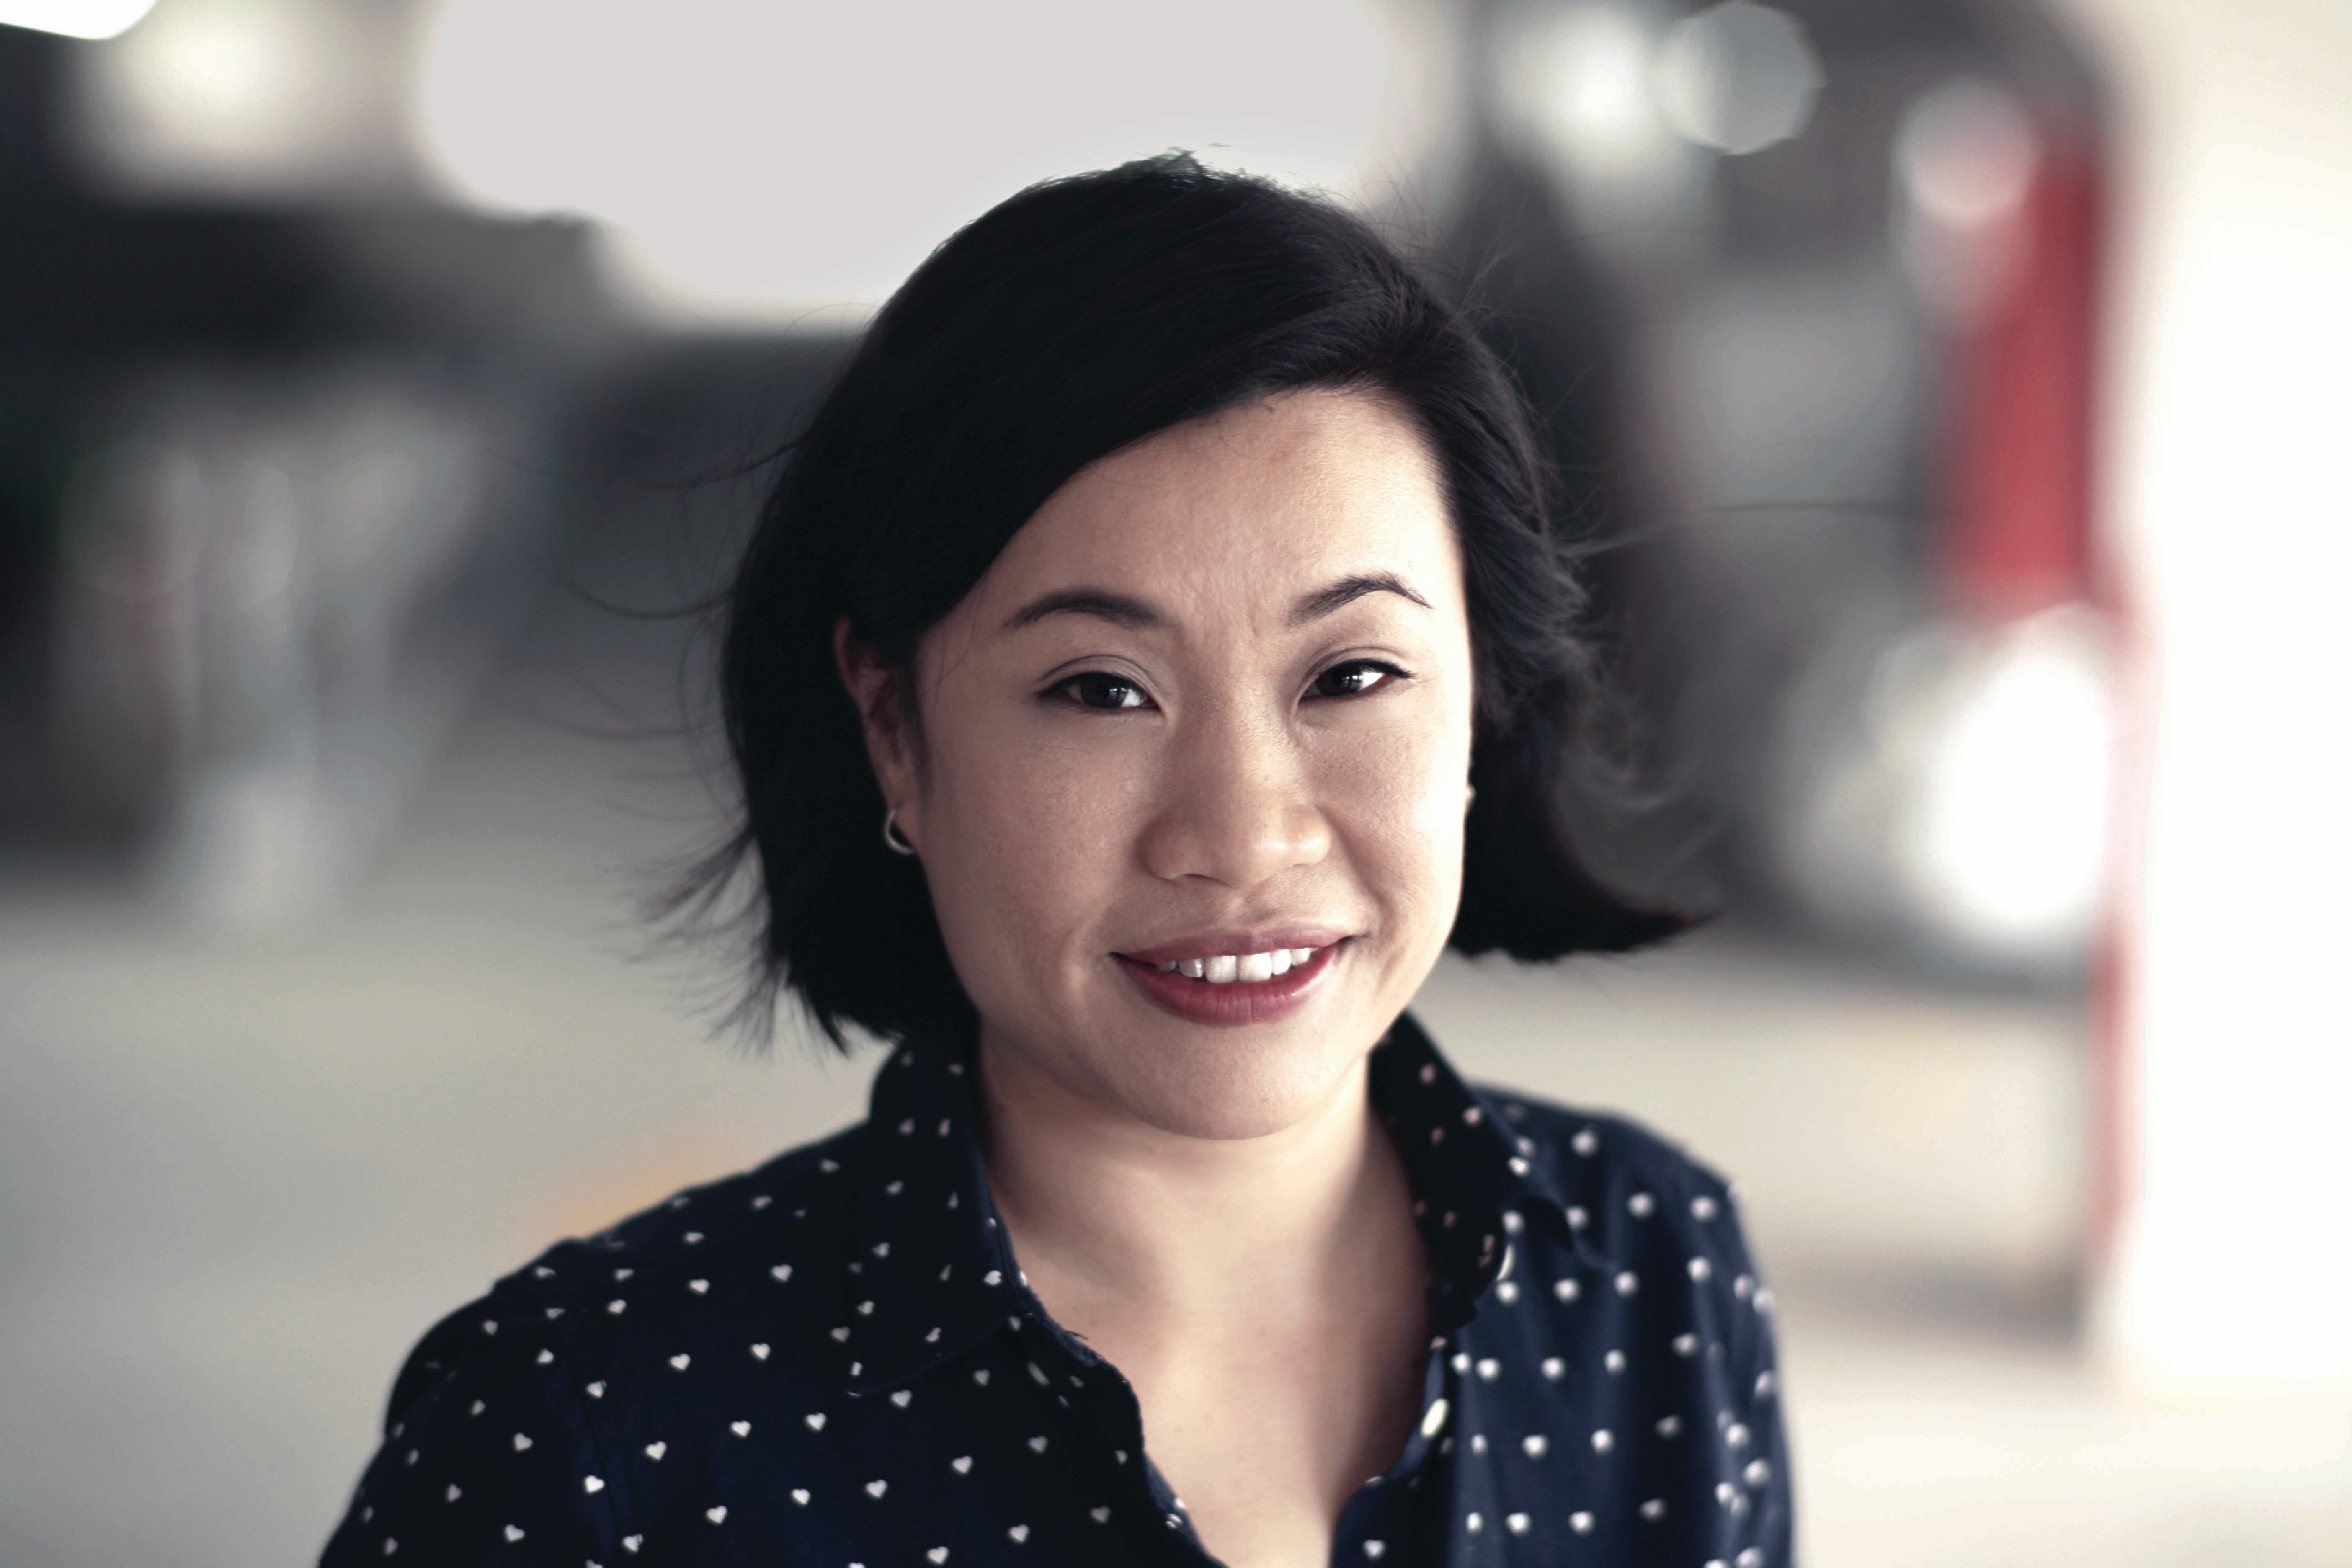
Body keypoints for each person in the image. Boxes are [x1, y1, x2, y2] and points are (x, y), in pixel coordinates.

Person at [320, 154, 1791, 1568]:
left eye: (1351, 676)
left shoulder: (1647, 1274)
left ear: (1482, 693)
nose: (1242, 835)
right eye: (1102, 688)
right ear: (895, 727)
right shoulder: (591, 1429)